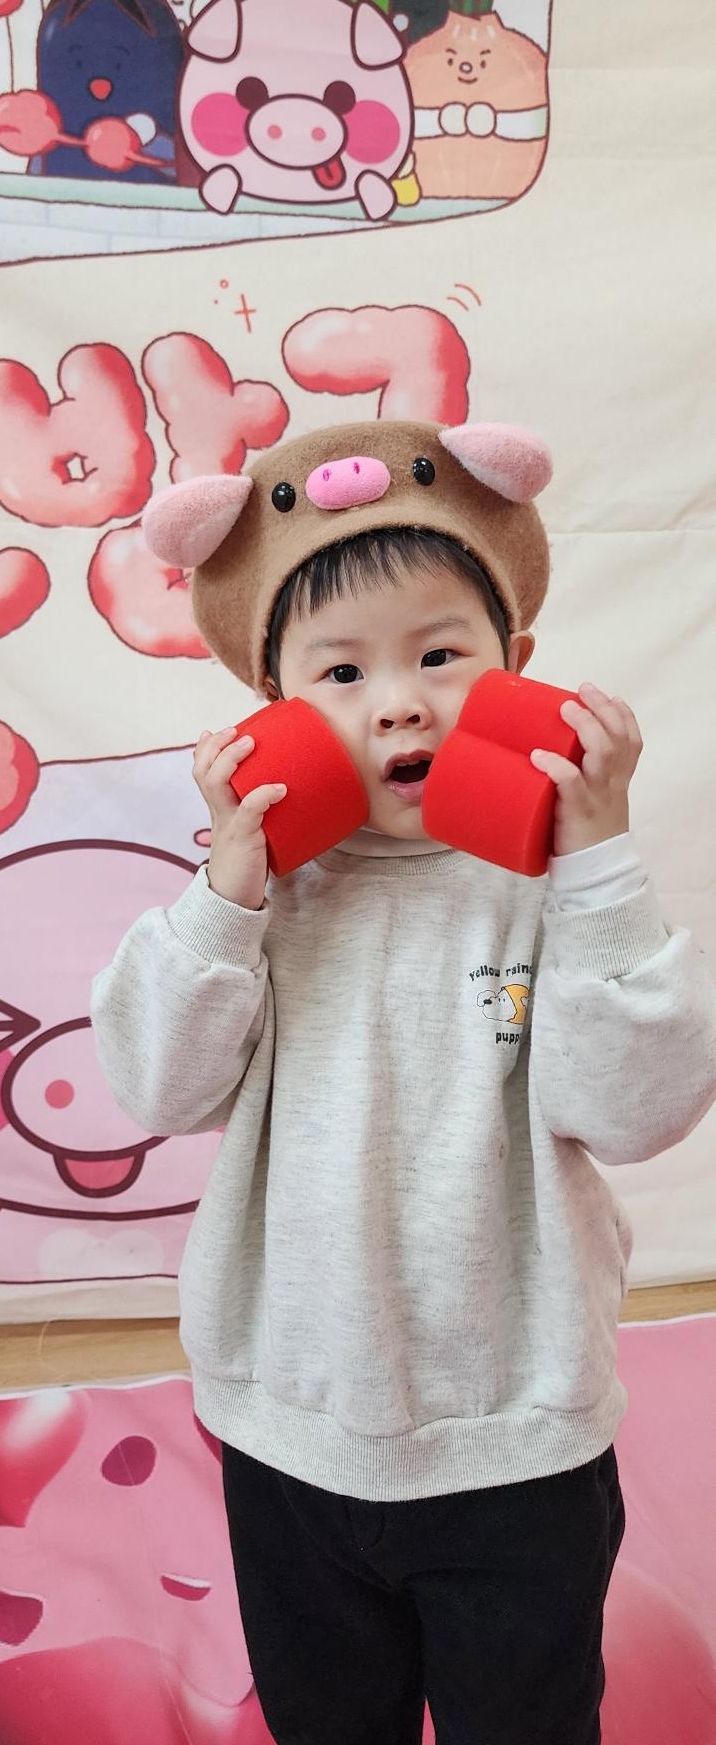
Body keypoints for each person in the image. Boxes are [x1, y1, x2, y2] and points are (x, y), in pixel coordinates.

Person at [91, 416, 716, 1745]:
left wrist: (600, 861)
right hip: (290, 1436)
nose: (398, 702)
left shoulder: (550, 888)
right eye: (339, 672)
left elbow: (635, 1112)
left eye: (440, 656)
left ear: (517, 670)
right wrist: (222, 897)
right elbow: (154, 1088)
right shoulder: (263, 901)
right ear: (269, 709)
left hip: (519, 1444)